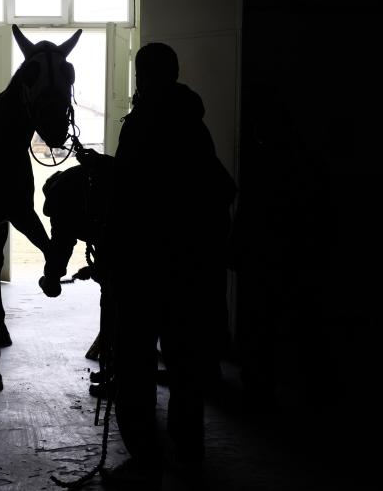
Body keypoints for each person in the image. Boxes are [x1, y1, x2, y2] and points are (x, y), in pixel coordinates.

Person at [87, 43, 235, 486]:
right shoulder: (194, 123)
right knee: (185, 360)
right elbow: (218, 190)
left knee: (135, 360)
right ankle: (188, 450)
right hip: (190, 270)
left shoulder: (142, 122)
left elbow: (129, 198)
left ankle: (144, 453)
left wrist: (109, 256)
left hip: (144, 269)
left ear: (142, 76)